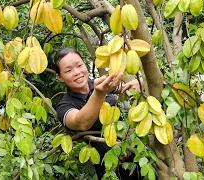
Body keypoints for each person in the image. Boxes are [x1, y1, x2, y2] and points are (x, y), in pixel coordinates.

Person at [54, 48, 142, 179]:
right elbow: (81, 122)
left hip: (137, 154)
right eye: (68, 70)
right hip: (110, 168)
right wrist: (99, 93)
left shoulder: (98, 84)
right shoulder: (65, 106)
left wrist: (137, 84)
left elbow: (125, 88)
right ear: (59, 77)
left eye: (79, 65)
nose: (77, 72)